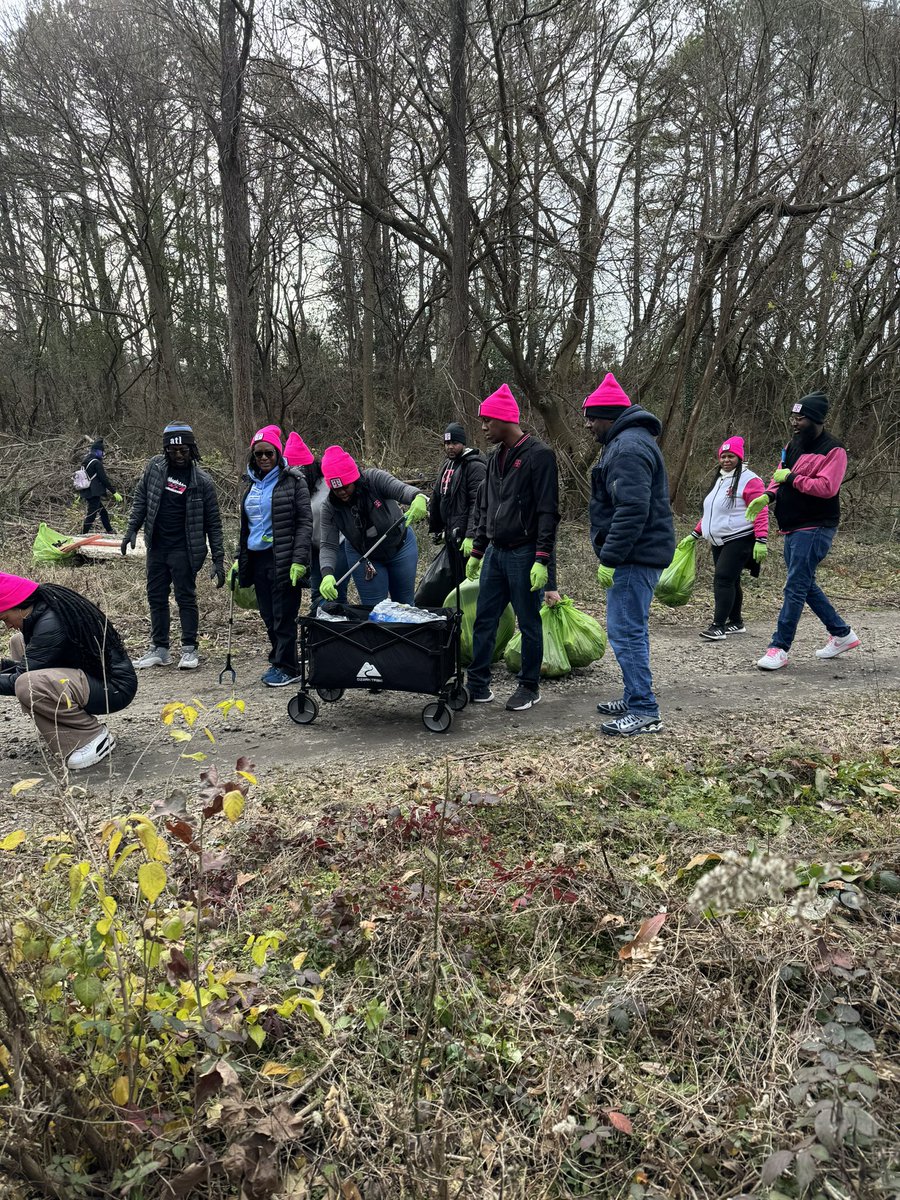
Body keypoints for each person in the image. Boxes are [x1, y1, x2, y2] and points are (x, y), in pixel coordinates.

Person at [586, 372, 675, 736]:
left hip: (634, 556)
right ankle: (633, 693)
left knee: (625, 632)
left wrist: (609, 557)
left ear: (609, 417)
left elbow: (632, 509)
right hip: (636, 553)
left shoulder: (628, 448)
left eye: (592, 418)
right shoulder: (626, 441)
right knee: (630, 629)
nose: (588, 425)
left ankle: (643, 709)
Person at [746, 391, 859, 670]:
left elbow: (826, 487)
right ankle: (842, 633)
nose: (795, 423)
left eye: (801, 418)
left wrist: (793, 478)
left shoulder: (834, 450)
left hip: (816, 525)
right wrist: (768, 496)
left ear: (817, 420)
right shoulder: (793, 443)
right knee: (803, 582)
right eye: (793, 417)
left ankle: (779, 648)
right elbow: (778, 476)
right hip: (791, 526)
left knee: (795, 586)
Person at [465, 384, 559, 712]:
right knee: (484, 619)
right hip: (495, 552)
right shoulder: (494, 459)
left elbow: (548, 511)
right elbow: (486, 506)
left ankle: (529, 687)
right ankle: (477, 684)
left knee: (529, 622)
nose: (483, 427)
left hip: (524, 553)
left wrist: (543, 560)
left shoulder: (539, 456)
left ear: (505, 419)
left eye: (487, 421)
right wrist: (478, 550)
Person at [0, 573, 136, 770]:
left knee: (27, 684)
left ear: (20, 605)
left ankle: (91, 736)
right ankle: (65, 729)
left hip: (113, 689)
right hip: (92, 679)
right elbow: (30, 664)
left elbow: (20, 678)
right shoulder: (43, 611)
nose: (8, 625)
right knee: (18, 643)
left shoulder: (51, 623)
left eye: (5, 618)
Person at [122, 422, 225, 671]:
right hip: (157, 545)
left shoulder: (202, 481)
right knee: (155, 596)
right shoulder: (155, 469)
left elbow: (214, 522)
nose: (178, 455)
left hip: (185, 548)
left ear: (192, 449)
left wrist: (218, 560)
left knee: (185, 597)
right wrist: (131, 529)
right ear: (166, 449)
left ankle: (189, 649)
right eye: (173, 450)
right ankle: (160, 649)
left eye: (184, 450)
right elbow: (141, 500)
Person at [237, 426, 313, 686]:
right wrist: (240, 558)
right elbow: (247, 526)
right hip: (257, 558)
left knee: (283, 615)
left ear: (278, 453)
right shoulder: (251, 485)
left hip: (282, 556)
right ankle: (279, 659)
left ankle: (288, 667)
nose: (264, 458)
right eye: (258, 454)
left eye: (269, 453)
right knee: (268, 615)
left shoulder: (293, 481)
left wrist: (299, 560)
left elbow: (305, 522)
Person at [318, 447, 428, 606]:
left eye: (345, 486)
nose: (341, 492)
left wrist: (418, 496)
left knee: (405, 605)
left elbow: (402, 489)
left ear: (354, 478)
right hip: (363, 555)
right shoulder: (329, 507)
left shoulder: (375, 479)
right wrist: (327, 573)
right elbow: (328, 544)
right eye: (336, 489)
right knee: (374, 609)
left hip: (400, 547)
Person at [689, 436, 768, 640]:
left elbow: (760, 510)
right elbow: (712, 511)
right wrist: (695, 533)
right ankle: (736, 622)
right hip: (718, 540)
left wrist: (761, 540)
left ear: (739, 458)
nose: (726, 460)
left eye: (731, 456)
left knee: (722, 579)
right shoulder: (721, 478)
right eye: (723, 456)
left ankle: (718, 626)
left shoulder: (749, 479)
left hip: (740, 537)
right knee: (731, 580)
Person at [284, 432, 349, 610]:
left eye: (301, 470)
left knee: (335, 592)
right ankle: (318, 633)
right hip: (313, 548)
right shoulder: (290, 489)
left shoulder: (326, 485)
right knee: (316, 593)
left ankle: (339, 632)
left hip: (339, 544)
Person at [79, 438, 122, 534]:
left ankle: (109, 530)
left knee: (102, 511)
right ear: (98, 451)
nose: (103, 454)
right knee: (92, 513)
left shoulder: (86, 460)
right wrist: (114, 492)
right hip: (93, 492)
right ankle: (83, 533)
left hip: (86, 490)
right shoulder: (96, 463)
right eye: (102, 452)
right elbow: (104, 479)